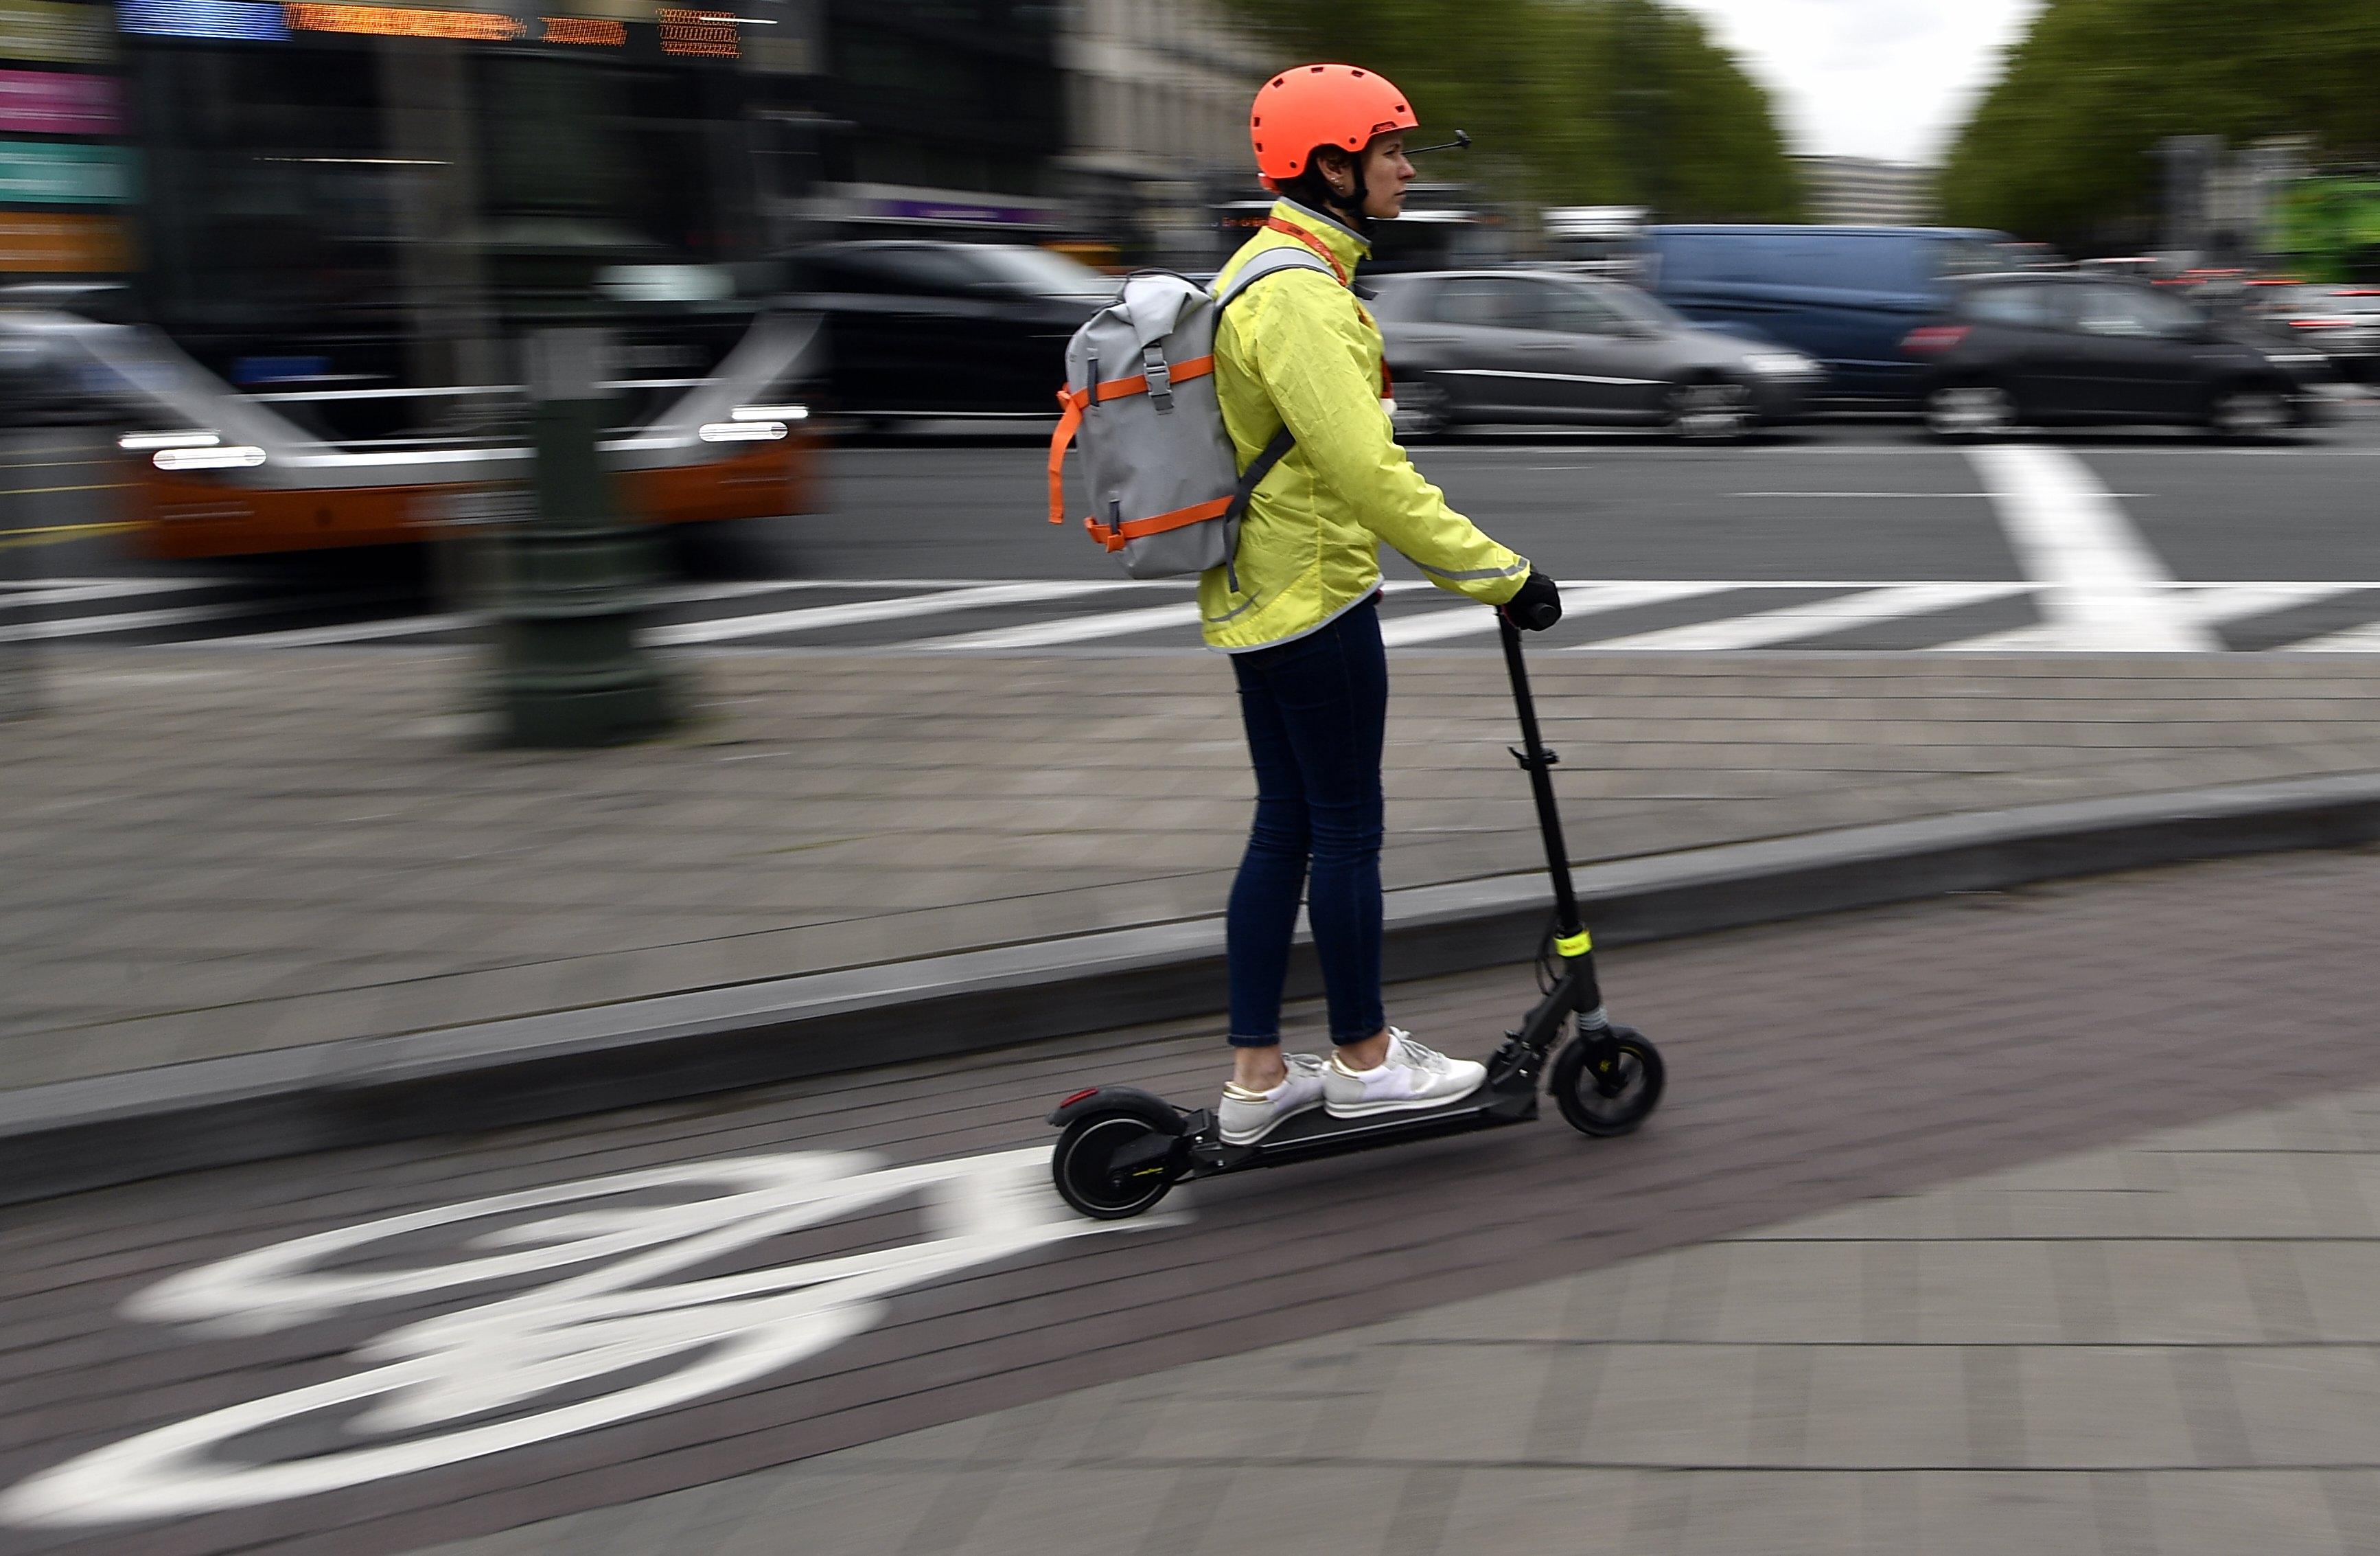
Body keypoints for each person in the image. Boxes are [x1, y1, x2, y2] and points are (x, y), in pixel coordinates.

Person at [1209, 63, 1564, 1145]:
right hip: (1314, 602)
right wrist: (1502, 574)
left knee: (1288, 829)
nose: (1409, 170)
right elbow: (1370, 474)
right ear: (1331, 166)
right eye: (1392, 153)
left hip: (1262, 596)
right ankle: (1364, 1057)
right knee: (1345, 830)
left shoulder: (1267, 269)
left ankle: (1260, 1074)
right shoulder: (1300, 296)